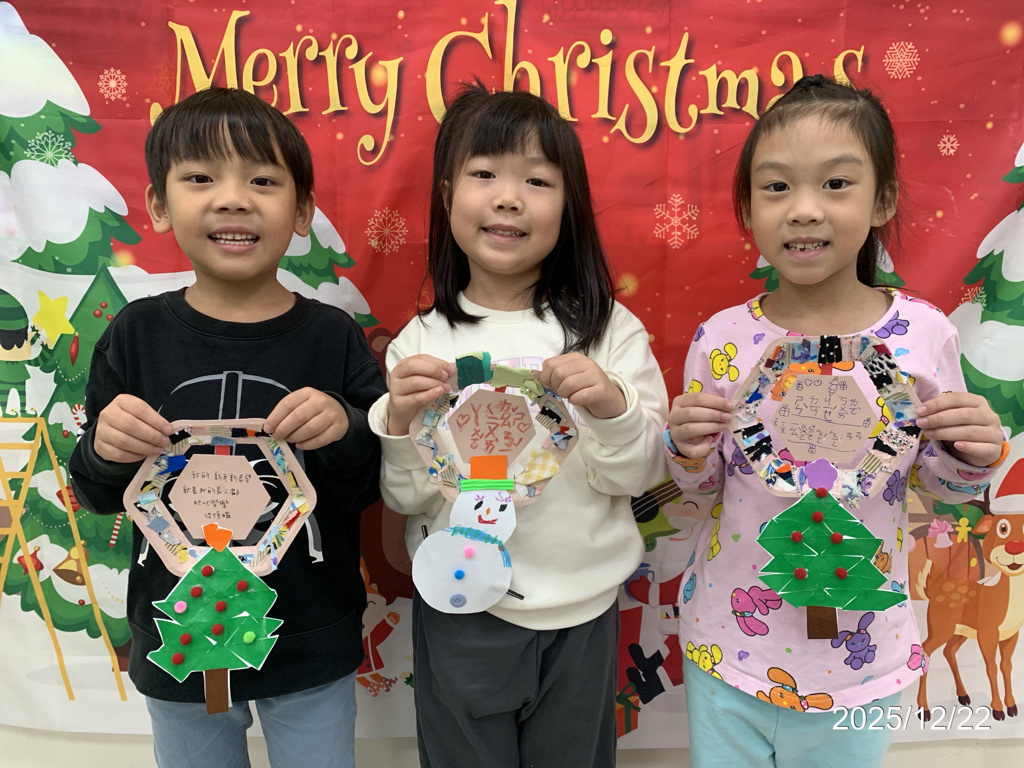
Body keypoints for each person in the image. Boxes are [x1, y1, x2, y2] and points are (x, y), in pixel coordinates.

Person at [665, 74, 1008, 767]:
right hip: (731, 643)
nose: (803, 210)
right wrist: (684, 449)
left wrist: (972, 457)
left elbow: (939, 490)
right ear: (748, 207)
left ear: (883, 199)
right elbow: (699, 490)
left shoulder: (922, 336)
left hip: (863, 653)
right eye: (776, 187)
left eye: (836, 184)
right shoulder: (723, 340)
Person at [68, 87, 386, 768]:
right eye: (200, 178)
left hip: (308, 637)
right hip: (179, 637)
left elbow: (368, 486)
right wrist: (103, 448)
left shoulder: (333, 337)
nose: (234, 199)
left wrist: (346, 429)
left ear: (302, 211)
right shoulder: (135, 335)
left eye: (263, 181)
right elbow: (95, 492)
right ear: (158, 205)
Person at [368, 84, 668, 768]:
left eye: (537, 180)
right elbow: (407, 496)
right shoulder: (421, 342)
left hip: (583, 607)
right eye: (484, 174)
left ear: (569, 205)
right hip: (459, 607)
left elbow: (638, 475)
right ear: (448, 197)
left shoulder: (609, 332)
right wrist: (398, 420)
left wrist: (612, 407)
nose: (508, 198)